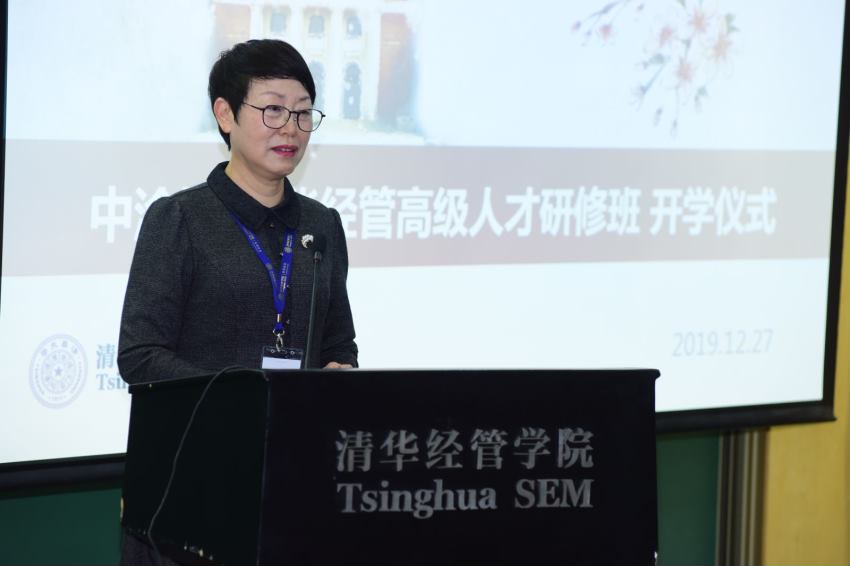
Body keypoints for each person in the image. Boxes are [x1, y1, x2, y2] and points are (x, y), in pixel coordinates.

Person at [118, 39, 357, 564]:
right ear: (225, 114)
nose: (290, 128)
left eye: (302, 113)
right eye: (273, 109)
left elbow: (339, 342)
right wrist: (244, 403)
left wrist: (339, 375)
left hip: (291, 480)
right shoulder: (179, 219)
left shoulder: (322, 225)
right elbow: (140, 355)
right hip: (191, 489)